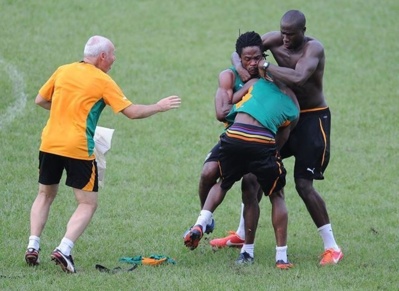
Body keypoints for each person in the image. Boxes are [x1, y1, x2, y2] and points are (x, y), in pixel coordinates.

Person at [24, 35, 181, 273]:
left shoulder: (63, 70)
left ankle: (33, 245)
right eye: (113, 55)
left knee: (44, 195)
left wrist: (64, 111)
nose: (114, 59)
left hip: (49, 143)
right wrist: (158, 106)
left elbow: (40, 100)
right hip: (78, 147)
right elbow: (132, 112)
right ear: (102, 57)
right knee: (87, 203)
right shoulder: (103, 81)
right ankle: (64, 249)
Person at [213, 9, 343, 266]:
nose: (284, 39)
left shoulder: (313, 50)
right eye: (282, 33)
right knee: (253, 173)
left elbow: (299, 77)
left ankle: (332, 247)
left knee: (304, 184)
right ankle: (242, 235)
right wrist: (243, 66)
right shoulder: (272, 40)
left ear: (302, 32)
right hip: (281, 117)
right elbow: (240, 53)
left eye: (290, 35)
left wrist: (265, 66)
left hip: (311, 119)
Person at [184, 31, 299, 268]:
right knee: (209, 173)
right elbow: (221, 113)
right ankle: (208, 223)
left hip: (240, 138)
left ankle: (219, 232)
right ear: (239, 59)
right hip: (237, 137)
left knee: (247, 185)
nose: (253, 63)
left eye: (257, 58)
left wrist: (249, 95)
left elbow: (235, 107)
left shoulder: (261, 80)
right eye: (247, 59)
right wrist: (248, 90)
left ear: (263, 57)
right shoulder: (230, 76)